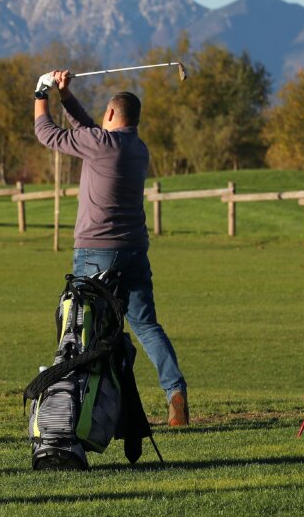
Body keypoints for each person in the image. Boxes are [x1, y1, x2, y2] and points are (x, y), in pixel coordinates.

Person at [33, 70, 189, 426]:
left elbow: (46, 132)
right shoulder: (137, 147)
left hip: (95, 251)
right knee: (147, 326)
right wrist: (66, 96)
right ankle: (175, 393)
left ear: (111, 115)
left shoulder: (100, 144)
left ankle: (83, 402)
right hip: (134, 249)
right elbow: (88, 129)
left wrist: (40, 92)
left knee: (83, 327)